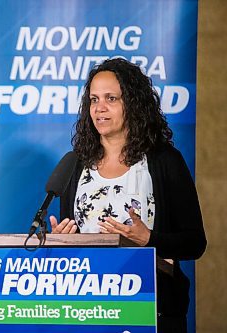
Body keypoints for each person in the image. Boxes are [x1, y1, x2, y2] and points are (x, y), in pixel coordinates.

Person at [49, 58, 206, 332]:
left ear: (133, 104)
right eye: (93, 99)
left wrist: (149, 239)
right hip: (89, 307)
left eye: (111, 98)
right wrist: (65, 241)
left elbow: (195, 243)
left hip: (152, 307)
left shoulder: (164, 161)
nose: (99, 108)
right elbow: (72, 239)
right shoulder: (75, 163)